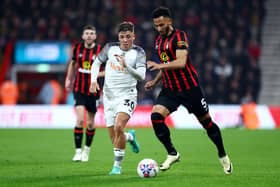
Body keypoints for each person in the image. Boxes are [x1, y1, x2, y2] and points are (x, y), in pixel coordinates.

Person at [144, 7, 233, 174]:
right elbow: (167, 67)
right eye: (156, 25)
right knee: (156, 117)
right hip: (170, 89)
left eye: (161, 25)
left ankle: (222, 154)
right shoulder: (158, 41)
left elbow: (180, 62)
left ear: (169, 21)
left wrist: (158, 65)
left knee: (206, 123)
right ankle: (172, 153)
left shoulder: (180, 36)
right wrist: (155, 82)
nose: (159, 28)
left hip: (190, 89)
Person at [90, 21, 146, 175]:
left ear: (133, 36)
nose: (125, 40)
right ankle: (130, 137)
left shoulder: (139, 52)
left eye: (128, 36)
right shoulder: (110, 48)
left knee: (119, 126)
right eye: (122, 37)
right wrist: (93, 81)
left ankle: (117, 167)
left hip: (127, 95)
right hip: (108, 97)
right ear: (118, 37)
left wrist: (127, 65)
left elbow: (142, 76)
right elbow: (96, 64)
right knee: (115, 138)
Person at [65, 25, 103, 162]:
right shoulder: (78, 48)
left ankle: (87, 150)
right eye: (86, 33)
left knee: (91, 124)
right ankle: (78, 151)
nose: (89, 35)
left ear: (95, 36)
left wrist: (96, 75)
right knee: (80, 120)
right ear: (83, 36)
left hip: (93, 90)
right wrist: (68, 79)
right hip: (79, 88)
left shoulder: (100, 51)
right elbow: (73, 64)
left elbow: (106, 69)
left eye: (91, 33)